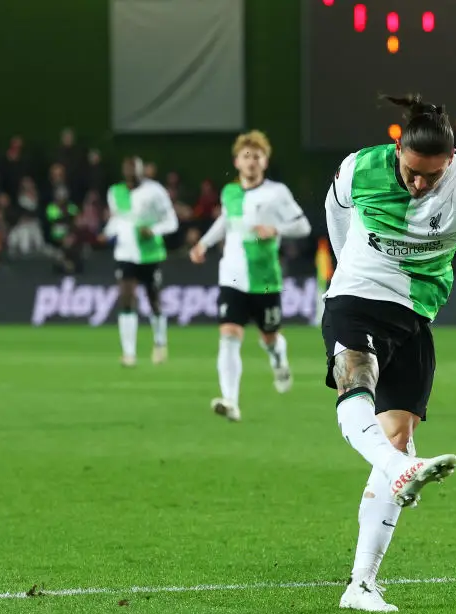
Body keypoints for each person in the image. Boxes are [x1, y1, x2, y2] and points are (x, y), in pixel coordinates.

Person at [323, 94, 456, 612]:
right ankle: (397, 467)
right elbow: (336, 209)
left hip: (414, 314)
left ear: (449, 162)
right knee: (355, 377)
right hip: (356, 296)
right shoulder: (360, 167)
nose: (419, 183)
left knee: (401, 432)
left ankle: (360, 586)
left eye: (431, 176)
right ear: (399, 150)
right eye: (412, 171)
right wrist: (347, 267)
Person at [190, 131, 311, 422]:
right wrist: (204, 243)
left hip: (265, 277)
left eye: (257, 156)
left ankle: (278, 359)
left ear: (265, 162)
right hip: (231, 275)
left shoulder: (277, 192)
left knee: (269, 338)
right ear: (237, 161)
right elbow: (225, 221)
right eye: (247, 156)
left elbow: (303, 226)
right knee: (229, 335)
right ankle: (230, 401)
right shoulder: (230, 192)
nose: (251, 161)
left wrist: (276, 229)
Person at [103, 157, 178, 367]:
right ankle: (129, 353)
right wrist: (106, 233)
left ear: (141, 170)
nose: (131, 173)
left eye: (134, 169)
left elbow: (172, 221)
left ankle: (160, 343)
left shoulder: (155, 191)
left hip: (149, 253)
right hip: (125, 253)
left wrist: (153, 230)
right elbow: (118, 219)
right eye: (127, 169)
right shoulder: (115, 192)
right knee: (126, 298)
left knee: (154, 298)